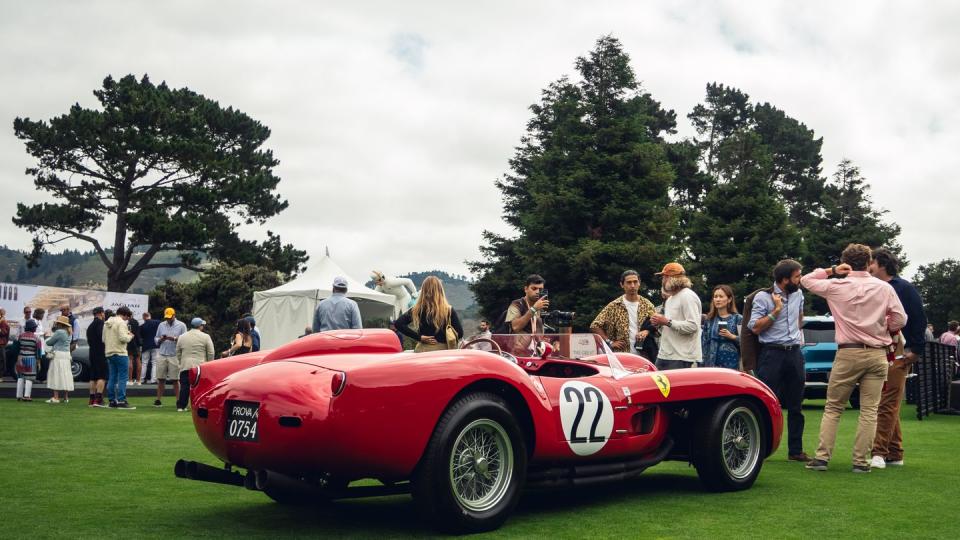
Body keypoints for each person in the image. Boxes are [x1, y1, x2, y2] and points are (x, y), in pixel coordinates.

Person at [802, 244, 907, 473]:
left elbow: (806, 280)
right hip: (877, 353)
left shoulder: (836, 285)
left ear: (846, 262)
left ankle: (822, 458)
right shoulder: (884, 288)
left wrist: (832, 270)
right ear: (869, 262)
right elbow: (900, 319)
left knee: (833, 407)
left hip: (848, 352)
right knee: (869, 410)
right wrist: (884, 326)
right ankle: (860, 461)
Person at [868, 248, 927, 469]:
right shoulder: (878, 287)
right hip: (882, 353)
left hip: (900, 353)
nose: (868, 267)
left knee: (886, 403)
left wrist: (915, 350)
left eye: (871, 262)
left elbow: (919, 318)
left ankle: (879, 453)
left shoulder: (905, 289)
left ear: (881, 264)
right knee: (889, 403)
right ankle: (895, 452)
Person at [747, 259, 808, 461]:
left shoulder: (799, 294)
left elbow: (799, 319)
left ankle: (795, 451)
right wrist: (776, 311)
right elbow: (754, 327)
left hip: (794, 352)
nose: (800, 280)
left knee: (796, 404)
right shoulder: (763, 297)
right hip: (772, 353)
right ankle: (759, 449)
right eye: (797, 276)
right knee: (764, 401)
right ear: (784, 279)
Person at [648, 263, 702, 370]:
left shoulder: (687, 296)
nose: (662, 280)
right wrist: (659, 324)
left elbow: (693, 326)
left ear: (672, 278)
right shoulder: (670, 299)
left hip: (681, 356)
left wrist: (667, 321)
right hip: (665, 354)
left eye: (664, 277)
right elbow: (670, 326)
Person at [590, 270, 657, 354]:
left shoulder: (647, 304)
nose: (632, 286)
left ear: (639, 283)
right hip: (622, 355)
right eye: (629, 282)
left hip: (644, 354)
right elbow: (595, 325)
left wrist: (647, 331)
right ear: (622, 285)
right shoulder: (614, 305)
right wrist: (609, 342)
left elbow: (657, 325)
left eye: (635, 282)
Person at [394, 276, 464, 353]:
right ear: (440, 290)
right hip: (443, 352)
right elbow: (460, 333)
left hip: (423, 351)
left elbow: (398, 323)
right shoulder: (448, 310)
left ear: (423, 291)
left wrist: (419, 337)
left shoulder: (417, 309)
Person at [175, 317, 215, 412]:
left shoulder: (182, 336)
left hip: (185, 365)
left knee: (184, 386)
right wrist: (209, 364)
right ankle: (198, 405)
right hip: (200, 366)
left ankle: (181, 406)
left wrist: (181, 361)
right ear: (200, 326)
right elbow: (211, 352)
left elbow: (178, 351)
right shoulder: (206, 336)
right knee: (199, 387)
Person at [701, 285, 743, 370]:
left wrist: (732, 336)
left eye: (721, 296)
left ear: (729, 299)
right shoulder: (709, 320)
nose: (717, 299)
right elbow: (703, 342)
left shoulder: (738, 319)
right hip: (711, 364)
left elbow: (746, 343)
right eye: (715, 297)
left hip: (731, 364)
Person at [154, 307, 187, 407]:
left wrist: (175, 338)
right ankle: (158, 400)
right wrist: (160, 340)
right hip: (162, 353)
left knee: (175, 380)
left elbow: (185, 339)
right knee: (161, 379)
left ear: (174, 315)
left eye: (169, 317)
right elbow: (156, 338)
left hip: (174, 355)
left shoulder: (181, 325)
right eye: (166, 317)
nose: (168, 319)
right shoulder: (161, 325)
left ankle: (178, 401)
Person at [104, 306, 136, 409]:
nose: (127, 319)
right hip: (120, 352)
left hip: (109, 352)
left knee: (112, 377)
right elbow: (123, 338)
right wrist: (130, 336)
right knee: (123, 377)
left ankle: (112, 400)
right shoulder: (121, 323)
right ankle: (122, 400)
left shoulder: (107, 323)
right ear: (125, 314)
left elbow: (103, 339)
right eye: (127, 317)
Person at [45, 315, 75, 403]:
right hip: (66, 355)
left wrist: (49, 336)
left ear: (60, 324)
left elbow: (49, 342)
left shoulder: (59, 332)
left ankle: (56, 397)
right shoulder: (69, 332)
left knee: (56, 374)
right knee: (66, 375)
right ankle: (66, 398)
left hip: (58, 355)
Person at [15, 319, 42, 402]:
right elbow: (39, 351)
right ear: (33, 328)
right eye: (35, 327)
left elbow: (17, 347)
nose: (35, 328)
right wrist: (38, 360)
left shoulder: (21, 336)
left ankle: (19, 396)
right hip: (31, 359)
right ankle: (27, 396)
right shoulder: (37, 338)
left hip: (21, 358)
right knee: (29, 378)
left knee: (20, 377)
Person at [86, 307, 108, 407]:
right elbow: (102, 338)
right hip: (100, 352)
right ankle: (98, 399)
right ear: (101, 313)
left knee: (93, 377)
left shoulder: (90, 326)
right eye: (103, 313)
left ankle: (91, 399)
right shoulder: (101, 324)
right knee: (101, 376)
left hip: (92, 352)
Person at [139, 311, 160, 384]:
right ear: (150, 316)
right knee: (155, 363)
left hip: (146, 345)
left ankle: (141, 379)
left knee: (144, 363)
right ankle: (153, 380)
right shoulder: (157, 322)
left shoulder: (142, 326)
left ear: (143, 317)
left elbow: (141, 337)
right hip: (156, 345)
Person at [126, 314, 141, 384]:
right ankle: (138, 381)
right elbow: (138, 333)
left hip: (130, 343)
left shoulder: (128, 323)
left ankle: (130, 380)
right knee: (138, 360)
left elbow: (129, 333)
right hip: (137, 343)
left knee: (130, 360)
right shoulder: (136, 322)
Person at [0, 308, 9, 381]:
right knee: (2, 359)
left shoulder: (3, 321)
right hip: (2, 343)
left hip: (1, 343)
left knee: (2, 360)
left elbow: (4, 332)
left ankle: (1, 376)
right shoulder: (3, 321)